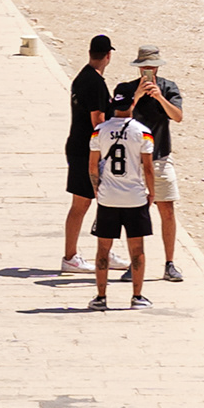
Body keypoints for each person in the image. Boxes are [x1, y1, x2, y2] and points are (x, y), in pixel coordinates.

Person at [87, 91, 157, 309]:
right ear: (132, 104)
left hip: (108, 197)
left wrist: (97, 189)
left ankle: (101, 297)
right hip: (134, 198)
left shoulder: (100, 130)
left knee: (103, 249)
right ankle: (137, 296)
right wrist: (151, 192)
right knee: (137, 249)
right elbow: (148, 167)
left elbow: (92, 166)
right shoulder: (143, 132)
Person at [124, 45, 186, 282]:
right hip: (134, 161)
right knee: (135, 214)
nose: (148, 71)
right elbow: (117, 117)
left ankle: (169, 263)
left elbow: (178, 116)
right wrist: (137, 96)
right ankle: (135, 263)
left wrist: (159, 97)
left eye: (151, 67)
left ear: (158, 67)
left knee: (167, 210)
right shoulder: (127, 89)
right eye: (144, 67)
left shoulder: (169, 88)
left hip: (160, 157)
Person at [59, 34, 116, 271]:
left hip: (78, 146)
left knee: (100, 202)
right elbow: (98, 121)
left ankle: (105, 252)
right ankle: (70, 257)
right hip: (88, 152)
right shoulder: (95, 83)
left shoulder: (82, 77)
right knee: (81, 203)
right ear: (108, 56)